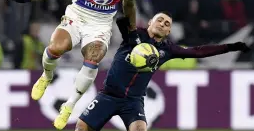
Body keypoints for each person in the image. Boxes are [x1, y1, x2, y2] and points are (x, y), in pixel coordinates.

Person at [3, 0, 139, 129]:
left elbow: (129, 6)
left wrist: (132, 32)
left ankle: (69, 106)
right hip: (76, 18)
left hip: (100, 27)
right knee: (55, 48)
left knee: (93, 59)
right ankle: (46, 76)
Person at [75, 11, 250, 131]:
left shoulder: (168, 49)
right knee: (82, 127)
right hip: (108, 95)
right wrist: (126, 24)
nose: (163, 24)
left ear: (168, 31)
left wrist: (230, 47)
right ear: (150, 22)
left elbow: (198, 51)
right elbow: (122, 21)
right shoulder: (136, 35)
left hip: (133, 102)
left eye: (167, 24)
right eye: (160, 20)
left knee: (139, 129)